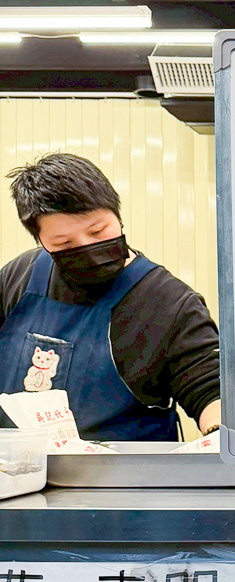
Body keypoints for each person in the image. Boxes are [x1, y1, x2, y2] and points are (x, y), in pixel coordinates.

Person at [0, 153, 221, 441]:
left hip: (126, 469)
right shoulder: (20, 276)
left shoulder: (168, 301)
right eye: (64, 243)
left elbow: (210, 390)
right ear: (42, 241)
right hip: (18, 466)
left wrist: (218, 434)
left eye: (98, 231)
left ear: (118, 216)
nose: (87, 248)